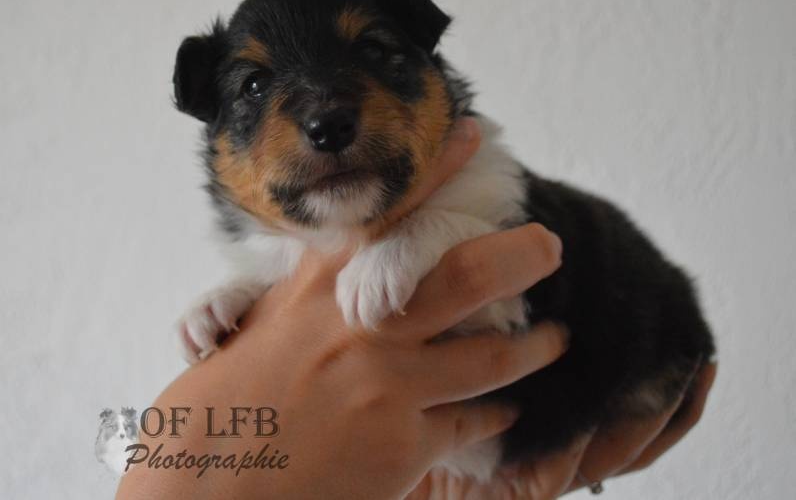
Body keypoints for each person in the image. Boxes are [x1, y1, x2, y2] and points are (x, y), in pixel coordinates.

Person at [116, 119, 716, 500]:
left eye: (378, 54)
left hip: (593, 384)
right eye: (252, 88)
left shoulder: (476, 176)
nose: (324, 118)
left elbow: (517, 259)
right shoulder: (272, 249)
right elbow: (286, 302)